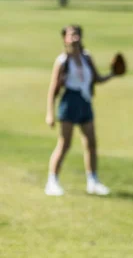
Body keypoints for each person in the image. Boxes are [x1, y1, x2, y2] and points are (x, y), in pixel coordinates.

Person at [45, 25, 118, 196]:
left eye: (76, 34)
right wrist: (50, 113)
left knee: (91, 143)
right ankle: (52, 181)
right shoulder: (62, 61)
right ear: (65, 39)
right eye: (71, 35)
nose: (74, 38)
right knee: (64, 144)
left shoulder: (86, 57)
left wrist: (113, 74)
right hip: (69, 102)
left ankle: (92, 181)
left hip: (85, 101)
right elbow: (53, 89)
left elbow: (96, 78)